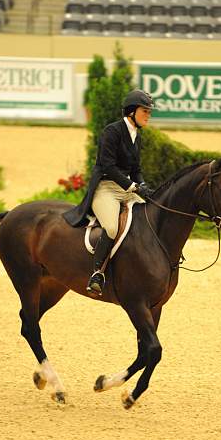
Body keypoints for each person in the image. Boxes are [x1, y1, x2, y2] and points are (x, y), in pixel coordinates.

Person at [64, 88, 155, 295]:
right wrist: (133, 186)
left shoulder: (137, 137)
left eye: (149, 112)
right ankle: (97, 273)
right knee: (112, 228)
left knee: (149, 218)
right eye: (145, 111)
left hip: (127, 188)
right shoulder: (111, 132)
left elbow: (136, 169)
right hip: (106, 187)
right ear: (131, 112)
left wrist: (143, 185)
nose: (148, 115)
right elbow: (107, 166)